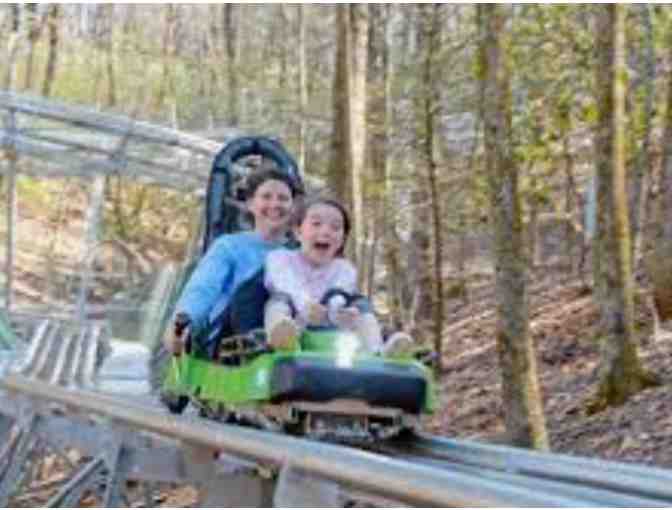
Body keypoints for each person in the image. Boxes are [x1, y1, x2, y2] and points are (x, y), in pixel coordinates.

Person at [165, 168, 301, 356]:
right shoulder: (229, 247)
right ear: (251, 204)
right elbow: (203, 289)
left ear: (293, 206)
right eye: (266, 197)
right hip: (233, 344)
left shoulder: (302, 254)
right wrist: (184, 322)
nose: (275, 204)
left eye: (283, 198)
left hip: (292, 343)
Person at [263, 196, 413, 355]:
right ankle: (283, 340)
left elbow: (338, 296)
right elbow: (285, 284)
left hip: (331, 329)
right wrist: (306, 306)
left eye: (335, 228)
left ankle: (376, 349)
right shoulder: (279, 258)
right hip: (295, 322)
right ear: (298, 232)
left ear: (342, 240)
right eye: (316, 224)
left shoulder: (345, 269)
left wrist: (341, 314)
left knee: (360, 303)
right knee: (279, 299)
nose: (326, 232)